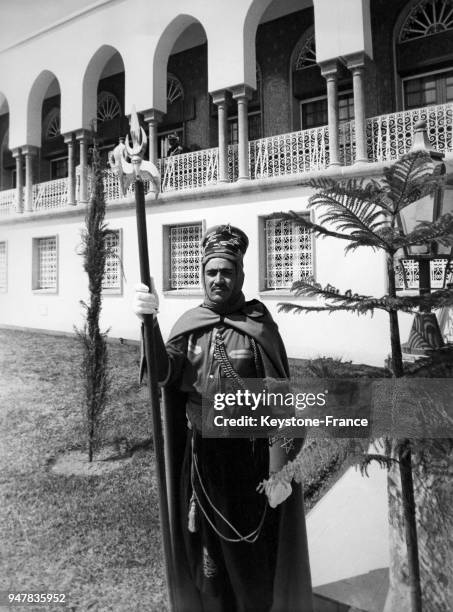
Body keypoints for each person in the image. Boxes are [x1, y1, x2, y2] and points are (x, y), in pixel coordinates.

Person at [133, 224, 313, 612]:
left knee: (250, 560)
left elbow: (281, 400)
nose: (218, 279)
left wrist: (279, 469)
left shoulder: (258, 327)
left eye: (226, 272)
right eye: (211, 272)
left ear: (240, 276)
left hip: (248, 465)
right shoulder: (189, 326)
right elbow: (165, 374)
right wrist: (149, 323)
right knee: (208, 561)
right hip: (201, 463)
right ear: (202, 275)